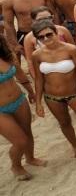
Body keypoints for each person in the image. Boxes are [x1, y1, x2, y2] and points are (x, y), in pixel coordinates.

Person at [31, 19, 76, 157]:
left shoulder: (71, 50)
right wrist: (38, 102)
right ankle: (75, 146)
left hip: (74, 93)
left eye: (49, 34)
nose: (45, 38)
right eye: (41, 37)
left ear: (56, 33)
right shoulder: (37, 55)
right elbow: (38, 79)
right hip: (51, 97)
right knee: (64, 123)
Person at [0, 34, 45, 180]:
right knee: (20, 141)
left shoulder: (6, 54)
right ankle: (16, 166)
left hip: (19, 100)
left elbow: (19, 73)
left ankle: (30, 158)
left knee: (27, 132)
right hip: (1, 110)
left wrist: (31, 92)